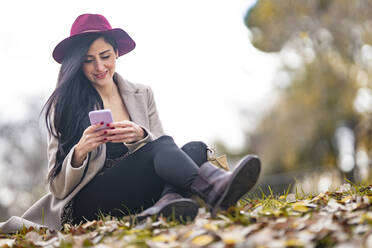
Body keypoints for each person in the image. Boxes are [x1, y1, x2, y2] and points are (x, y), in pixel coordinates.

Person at [0, 13, 261, 233]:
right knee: (163, 146)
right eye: (88, 60)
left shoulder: (142, 93)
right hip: (87, 202)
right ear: (77, 64)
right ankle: (214, 189)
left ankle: (166, 203)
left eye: (105, 56)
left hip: (137, 189)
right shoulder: (64, 104)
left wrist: (140, 135)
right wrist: (79, 151)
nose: (99, 67)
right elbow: (55, 186)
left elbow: (164, 152)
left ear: (116, 53)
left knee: (194, 147)